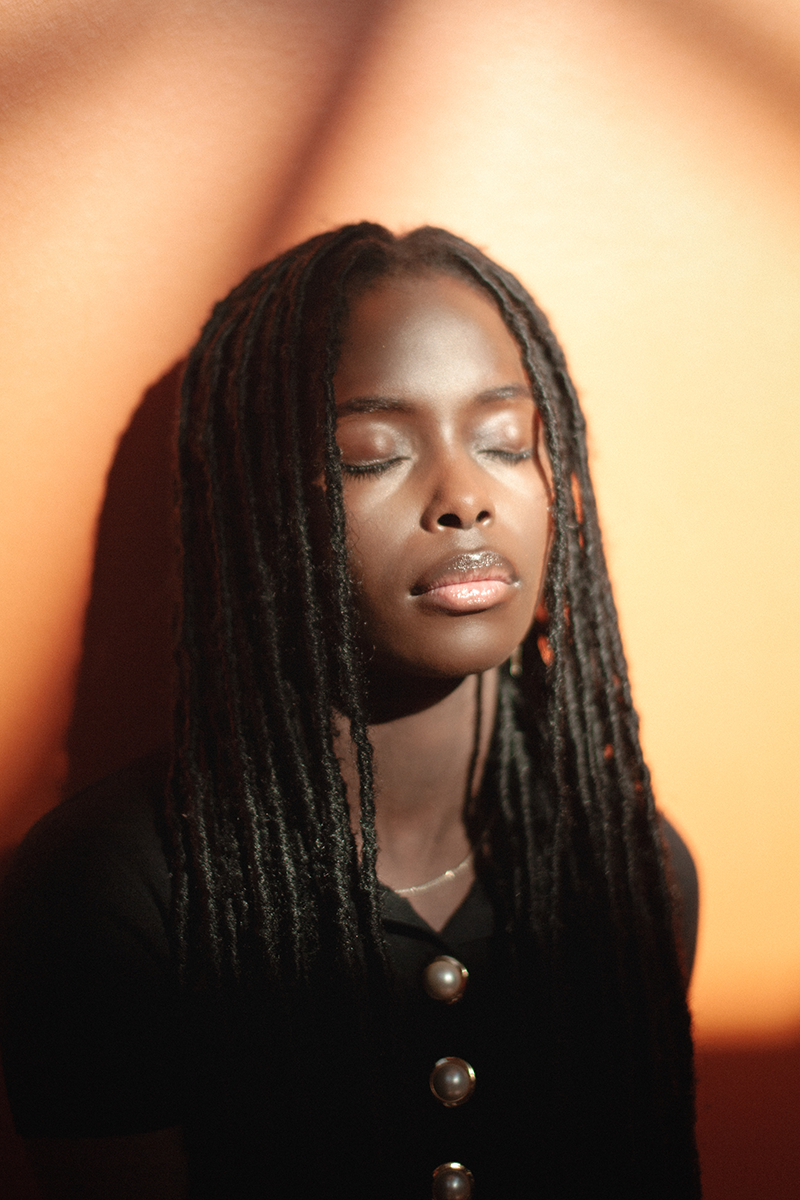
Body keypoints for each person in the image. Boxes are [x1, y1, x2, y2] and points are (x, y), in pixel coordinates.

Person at [0, 224, 700, 1198]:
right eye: (371, 455)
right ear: (258, 509)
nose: (464, 497)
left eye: (505, 442)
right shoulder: (110, 892)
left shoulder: (629, 870)